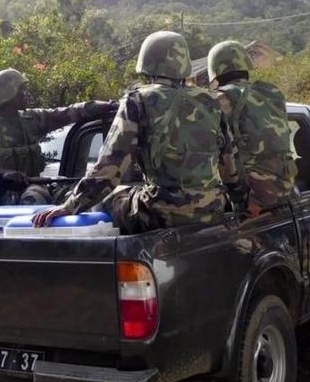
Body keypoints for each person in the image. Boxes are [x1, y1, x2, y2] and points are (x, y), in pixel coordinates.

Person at [33, 31, 230, 234]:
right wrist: (241, 205)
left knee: (112, 197)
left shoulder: (138, 101)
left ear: (147, 64)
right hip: (211, 210)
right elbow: (230, 165)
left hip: (161, 212)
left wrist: (70, 206)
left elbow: (109, 169)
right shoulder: (211, 102)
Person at [0, 68, 117, 210]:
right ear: (7, 94)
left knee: (34, 197)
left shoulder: (32, 119)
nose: (26, 94)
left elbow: (67, 113)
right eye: (21, 90)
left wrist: (102, 106)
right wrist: (1, 173)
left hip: (31, 184)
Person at [206, 40, 297, 217]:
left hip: (251, 198)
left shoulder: (220, 100)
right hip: (284, 190)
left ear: (216, 70)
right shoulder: (272, 93)